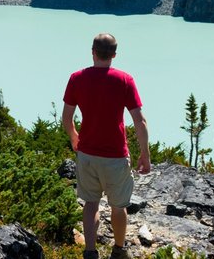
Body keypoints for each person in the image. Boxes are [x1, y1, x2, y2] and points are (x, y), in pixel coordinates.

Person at [62, 33, 150, 259]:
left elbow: (67, 118)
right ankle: (119, 250)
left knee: (91, 203)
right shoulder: (124, 80)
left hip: (87, 154)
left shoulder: (76, 78)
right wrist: (144, 155)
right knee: (118, 206)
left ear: (92, 51)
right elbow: (139, 121)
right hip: (115, 156)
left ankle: (90, 252)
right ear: (114, 55)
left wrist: (74, 138)